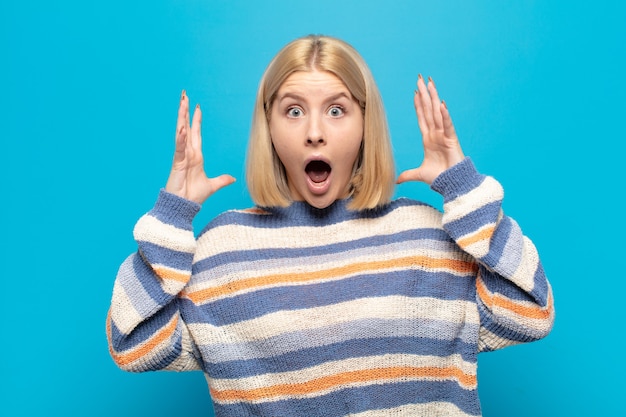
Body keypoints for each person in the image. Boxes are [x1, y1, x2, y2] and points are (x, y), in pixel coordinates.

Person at [106, 35, 554, 416]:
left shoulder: (430, 237)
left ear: (365, 124)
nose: (314, 133)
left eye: (337, 110)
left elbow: (530, 312)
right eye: (294, 111)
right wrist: (171, 218)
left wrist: (465, 190)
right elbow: (133, 343)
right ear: (270, 128)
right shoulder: (223, 251)